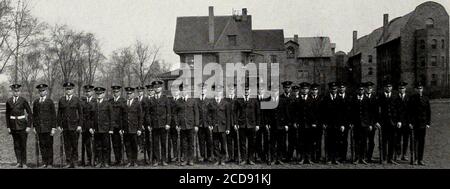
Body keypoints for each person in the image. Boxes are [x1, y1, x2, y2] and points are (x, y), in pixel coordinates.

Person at [5, 84, 32, 168]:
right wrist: (8, 127)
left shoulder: (23, 100)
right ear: (12, 92)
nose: (16, 92)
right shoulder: (9, 101)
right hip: (13, 126)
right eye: (14, 91)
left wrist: (28, 126)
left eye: (17, 91)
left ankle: (24, 163)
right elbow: (7, 114)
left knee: (23, 145)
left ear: (19, 91)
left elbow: (30, 113)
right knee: (16, 145)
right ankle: (18, 162)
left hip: (22, 126)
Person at [57, 82, 83, 168]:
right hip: (65, 126)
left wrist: (79, 125)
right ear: (65, 90)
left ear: (73, 90)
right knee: (67, 145)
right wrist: (59, 125)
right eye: (67, 89)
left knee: (74, 145)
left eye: (70, 89)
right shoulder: (61, 100)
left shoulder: (77, 100)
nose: (68, 91)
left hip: (74, 126)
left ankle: (75, 162)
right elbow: (59, 114)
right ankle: (68, 162)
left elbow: (81, 113)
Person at [32, 84, 57, 168]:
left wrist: (53, 128)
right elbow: (34, 115)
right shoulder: (36, 102)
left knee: (49, 145)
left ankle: (50, 163)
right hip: (39, 128)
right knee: (42, 145)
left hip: (48, 128)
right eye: (40, 91)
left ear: (46, 91)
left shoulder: (50, 102)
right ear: (38, 92)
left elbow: (53, 115)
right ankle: (44, 163)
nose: (41, 92)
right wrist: (34, 127)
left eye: (43, 91)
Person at [175, 83, 199, 166]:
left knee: (191, 144)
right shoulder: (178, 101)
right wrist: (177, 124)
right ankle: (184, 159)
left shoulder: (192, 101)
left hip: (191, 125)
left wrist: (196, 125)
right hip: (182, 126)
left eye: (185, 90)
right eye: (182, 90)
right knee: (183, 143)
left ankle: (191, 159)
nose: (183, 92)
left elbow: (196, 113)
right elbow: (175, 114)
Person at [149, 80, 171, 166]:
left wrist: (168, 123)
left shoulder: (165, 98)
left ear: (161, 88)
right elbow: (149, 113)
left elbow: (168, 112)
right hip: (154, 125)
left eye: (158, 87)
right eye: (155, 87)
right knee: (155, 143)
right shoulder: (151, 99)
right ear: (153, 88)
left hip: (163, 124)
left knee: (163, 143)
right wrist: (150, 124)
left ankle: (164, 160)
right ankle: (156, 160)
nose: (156, 88)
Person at [408, 82, 431, 166]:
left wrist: (428, 123)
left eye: (421, 88)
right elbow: (409, 112)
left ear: (423, 89)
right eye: (418, 89)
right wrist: (410, 122)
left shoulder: (426, 98)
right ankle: (415, 159)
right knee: (414, 142)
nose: (419, 90)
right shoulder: (412, 98)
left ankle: (420, 159)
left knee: (421, 142)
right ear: (415, 90)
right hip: (414, 124)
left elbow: (428, 111)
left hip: (423, 123)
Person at [208, 84, 231, 166]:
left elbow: (228, 116)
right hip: (214, 127)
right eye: (216, 91)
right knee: (215, 144)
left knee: (223, 144)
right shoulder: (211, 103)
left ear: (222, 92)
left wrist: (228, 128)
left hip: (223, 127)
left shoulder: (226, 103)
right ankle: (217, 159)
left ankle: (223, 159)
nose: (218, 93)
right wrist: (210, 124)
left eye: (219, 91)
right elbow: (209, 115)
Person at [376, 81, 398, 164]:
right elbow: (376, 110)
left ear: (391, 88)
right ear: (384, 88)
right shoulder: (380, 96)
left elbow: (398, 109)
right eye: (387, 87)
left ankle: (390, 158)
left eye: (390, 87)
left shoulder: (395, 96)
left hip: (393, 122)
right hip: (383, 122)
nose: (388, 88)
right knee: (384, 141)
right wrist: (377, 122)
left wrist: (397, 121)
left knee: (392, 141)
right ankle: (384, 158)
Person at [237, 83, 259, 165]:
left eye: (247, 89)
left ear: (250, 90)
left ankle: (250, 159)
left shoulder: (254, 100)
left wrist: (257, 124)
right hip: (242, 124)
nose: (246, 91)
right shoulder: (239, 100)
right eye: (245, 90)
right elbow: (235, 112)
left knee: (251, 143)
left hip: (252, 124)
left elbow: (258, 113)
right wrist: (236, 123)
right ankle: (243, 159)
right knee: (242, 143)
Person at [92, 87, 113, 168]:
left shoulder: (107, 104)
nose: (99, 95)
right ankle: (99, 161)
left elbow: (111, 118)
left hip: (105, 129)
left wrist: (111, 129)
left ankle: (106, 162)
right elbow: (93, 118)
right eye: (97, 93)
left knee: (106, 147)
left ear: (103, 94)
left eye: (100, 93)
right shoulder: (94, 104)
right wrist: (93, 127)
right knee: (98, 147)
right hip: (97, 129)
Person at [351, 83, 371, 165]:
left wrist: (370, 124)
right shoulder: (353, 99)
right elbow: (351, 112)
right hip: (356, 124)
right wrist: (351, 123)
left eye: (362, 89)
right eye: (359, 89)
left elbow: (370, 113)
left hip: (365, 124)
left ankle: (362, 158)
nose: (361, 91)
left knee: (364, 141)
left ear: (364, 90)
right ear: (357, 90)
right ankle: (356, 158)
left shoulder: (367, 99)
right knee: (356, 141)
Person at [122, 87, 143, 167]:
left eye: (130, 93)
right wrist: (122, 128)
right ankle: (129, 161)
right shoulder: (124, 103)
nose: (129, 95)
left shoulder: (137, 103)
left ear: (133, 94)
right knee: (127, 145)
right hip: (126, 129)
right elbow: (122, 117)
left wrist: (139, 129)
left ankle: (135, 161)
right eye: (127, 93)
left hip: (134, 128)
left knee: (134, 145)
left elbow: (140, 117)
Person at [322, 82, 340, 164]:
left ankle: (335, 158)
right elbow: (322, 112)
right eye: (332, 89)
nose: (334, 90)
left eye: (335, 89)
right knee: (328, 142)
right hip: (328, 124)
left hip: (337, 124)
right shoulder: (325, 99)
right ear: (329, 89)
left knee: (337, 141)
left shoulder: (340, 98)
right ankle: (329, 158)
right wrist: (324, 123)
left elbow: (343, 113)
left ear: (337, 89)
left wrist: (342, 124)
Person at [336, 82, 352, 163]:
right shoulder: (335, 97)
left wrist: (348, 123)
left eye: (343, 87)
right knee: (338, 139)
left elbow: (350, 112)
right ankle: (338, 156)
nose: (341, 89)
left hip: (346, 123)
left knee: (345, 140)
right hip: (337, 122)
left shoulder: (349, 97)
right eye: (340, 87)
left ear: (345, 88)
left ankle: (344, 157)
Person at [109, 85, 126, 165]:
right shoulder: (110, 101)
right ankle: (117, 159)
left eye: (117, 92)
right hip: (113, 126)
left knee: (121, 143)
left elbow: (124, 115)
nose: (115, 93)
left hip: (121, 126)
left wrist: (122, 127)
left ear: (120, 92)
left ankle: (122, 159)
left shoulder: (123, 101)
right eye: (114, 92)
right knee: (115, 143)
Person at [197, 82, 213, 162]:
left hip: (208, 124)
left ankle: (209, 156)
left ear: (206, 90)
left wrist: (211, 124)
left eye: (204, 89)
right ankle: (202, 155)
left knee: (209, 140)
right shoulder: (197, 100)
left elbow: (211, 113)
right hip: (200, 124)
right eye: (201, 89)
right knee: (201, 140)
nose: (202, 90)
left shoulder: (210, 100)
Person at [395, 82, 410, 161]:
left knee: (405, 139)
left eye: (403, 88)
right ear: (398, 89)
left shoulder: (408, 98)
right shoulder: (395, 98)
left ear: (405, 89)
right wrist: (398, 121)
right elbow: (394, 111)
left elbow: (410, 111)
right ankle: (398, 154)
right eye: (400, 88)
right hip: (398, 123)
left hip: (406, 122)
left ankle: (404, 154)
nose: (402, 90)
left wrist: (409, 122)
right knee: (398, 139)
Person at [80, 85, 95, 166]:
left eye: (89, 91)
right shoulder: (82, 102)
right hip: (84, 127)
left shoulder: (95, 101)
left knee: (94, 144)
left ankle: (93, 159)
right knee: (85, 144)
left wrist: (92, 127)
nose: (88, 93)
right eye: (86, 91)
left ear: (92, 92)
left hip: (92, 127)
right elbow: (81, 115)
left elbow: (94, 116)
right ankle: (84, 160)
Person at [364, 81, 379, 163]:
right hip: (364, 123)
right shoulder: (362, 97)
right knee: (363, 140)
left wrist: (373, 123)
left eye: (370, 88)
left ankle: (369, 156)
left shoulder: (374, 97)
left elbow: (376, 112)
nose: (369, 89)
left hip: (372, 123)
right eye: (367, 88)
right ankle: (364, 156)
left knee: (371, 141)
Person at [309, 83, 323, 163]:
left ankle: (318, 157)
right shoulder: (308, 98)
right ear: (311, 90)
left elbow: (322, 113)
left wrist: (318, 123)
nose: (314, 91)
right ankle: (311, 157)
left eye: (316, 90)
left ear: (317, 91)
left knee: (318, 141)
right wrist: (312, 123)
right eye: (313, 90)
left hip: (319, 124)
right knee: (310, 141)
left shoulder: (321, 99)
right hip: (310, 124)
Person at [225, 83, 239, 163]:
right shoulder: (225, 100)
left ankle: (236, 157)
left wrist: (236, 123)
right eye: (230, 89)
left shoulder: (237, 100)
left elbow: (238, 113)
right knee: (229, 141)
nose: (231, 90)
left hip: (236, 124)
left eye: (232, 89)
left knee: (236, 141)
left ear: (235, 90)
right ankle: (230, 156)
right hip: (228, 124)